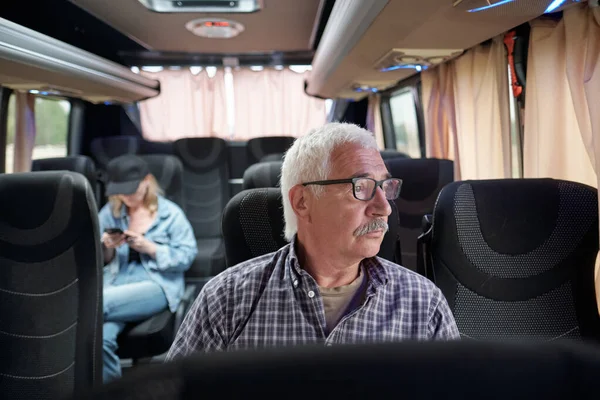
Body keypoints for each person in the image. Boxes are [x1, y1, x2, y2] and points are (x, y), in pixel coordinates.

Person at [166, 123, 458, 361]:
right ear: (303, 202)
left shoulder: (423, 303)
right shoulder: (225, 300)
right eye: (362, 187)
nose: (384, 207)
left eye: (385, 187)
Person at [99, 154, 197, 382]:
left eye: (131, 190)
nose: (126, 197)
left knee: (94, 303)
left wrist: (151, 248)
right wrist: (107, 247)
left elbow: (186, 256)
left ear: (147, 181)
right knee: (101, 339)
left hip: (156, 283)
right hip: (117, 282)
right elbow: (100, 261)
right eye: (121, 192)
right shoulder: (109, 213)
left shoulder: (170, 214)